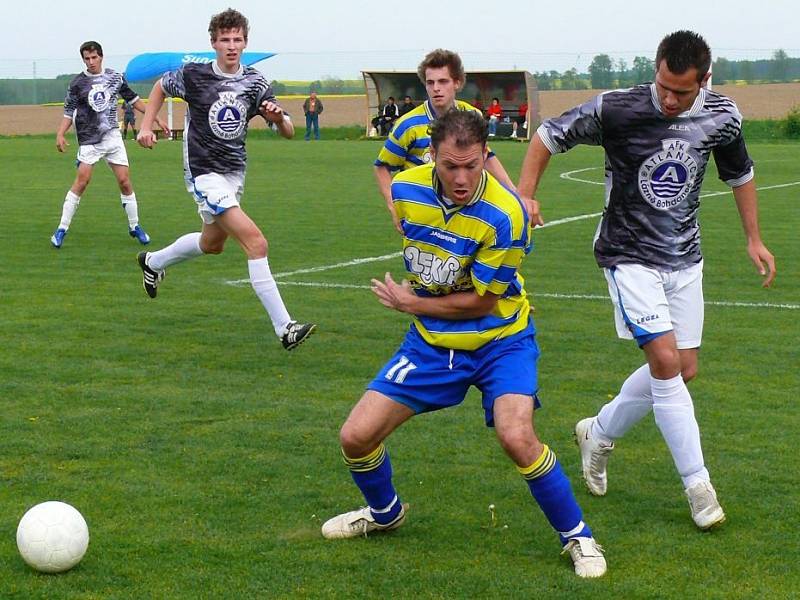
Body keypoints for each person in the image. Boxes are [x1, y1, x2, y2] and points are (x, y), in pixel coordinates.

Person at [321, 110, 607, 579]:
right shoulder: (405, 191)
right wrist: (418, 301)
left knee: (516, 436)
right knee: (355, 436)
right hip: (432, 346)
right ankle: (384, 513)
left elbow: (482, 304)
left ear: (484, 158)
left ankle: (578, 536)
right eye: (450, 165)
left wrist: (410, 302)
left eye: (471, 166)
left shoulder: (508, 214)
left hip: (502, 342)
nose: (461, 178)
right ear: (431, 156)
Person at [517, 30, 776, 530]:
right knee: (663, 360)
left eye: (682, 91)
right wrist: (526, 195)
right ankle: (698, 487)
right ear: (655, 70)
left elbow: (739, 174)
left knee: (684, 367)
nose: (670, 99)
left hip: (686, 257)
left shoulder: (722, 115)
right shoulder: (618, 108)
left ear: (704, 81)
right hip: (627, 254)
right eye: (663, 86)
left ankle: (599, 430)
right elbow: (548, 135)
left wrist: (754, 239)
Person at [135, 8, 316, 351]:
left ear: (245, 42)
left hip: (234, 173)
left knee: (212, 244)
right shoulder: (194, 74)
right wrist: (146, 126)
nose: (231, 46)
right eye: (225, 40)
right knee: (255, 242)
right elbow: (160, 86)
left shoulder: (256, 82)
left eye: (237, 40)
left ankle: (153, 261)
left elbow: (291, 131)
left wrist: (278, 119)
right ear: (213, 43)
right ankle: (285, 328)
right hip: (204, 174)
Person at [374, 49, 516, 234]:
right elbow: (382, 166)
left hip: (465, 210)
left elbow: (486, 156)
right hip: (425, 216)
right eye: (430, 82)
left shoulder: (473, 115)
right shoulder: (407, 125)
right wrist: (393, 206)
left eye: (443, 81)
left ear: (457, 82)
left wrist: (515, 194)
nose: (436, 88)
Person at [50, 40, 167, 249]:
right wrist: (60, 133)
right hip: (89, 140)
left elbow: (133, 100)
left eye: (94, 57)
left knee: (124, 181)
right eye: (87, 58)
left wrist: (156, 119)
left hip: (112, 137)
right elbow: (68, 111)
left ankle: (135, 226)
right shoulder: (77, 84)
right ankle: (61, 229)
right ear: (83, 59)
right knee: (82, 181)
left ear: (101, 56)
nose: (91, 62)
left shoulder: (115, 77)